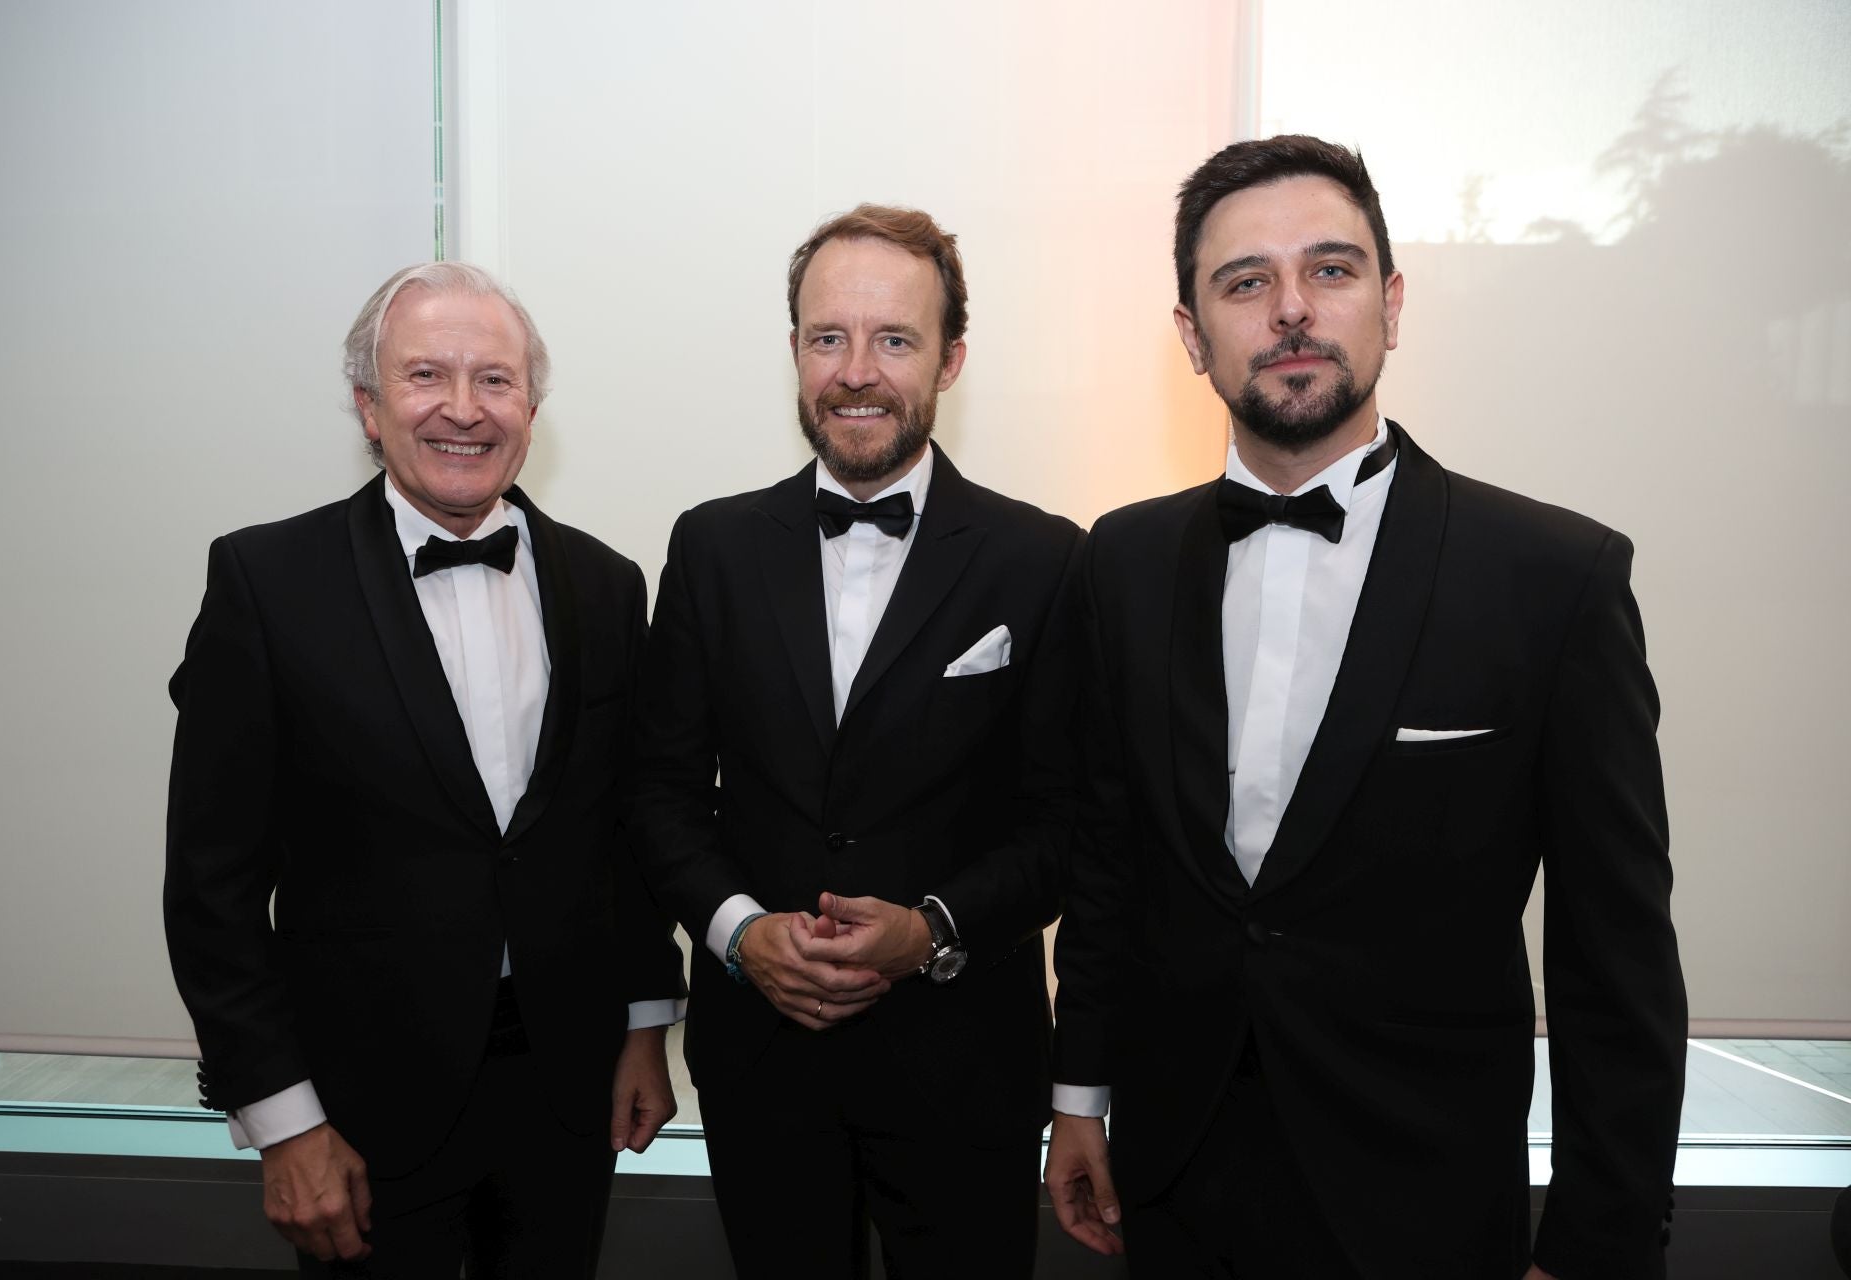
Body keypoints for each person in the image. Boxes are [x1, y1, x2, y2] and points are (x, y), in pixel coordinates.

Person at [1045, 136, 1688, 1279]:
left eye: (1330, 270)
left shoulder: (1555, 575)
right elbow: (1109, 860)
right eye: (1245, 282)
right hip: (1179, 1174)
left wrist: (1599, 1237)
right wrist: (1080, 1095)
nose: (1292, 309)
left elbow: (1616, 950)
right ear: (1193, 334)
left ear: (1390, 304)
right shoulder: (1122, 561)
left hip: (1427, 1190)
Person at [163, 262, 685, 1276]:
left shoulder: (608, 584)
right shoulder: (265, 584)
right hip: (356, 1109)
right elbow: (211, 884)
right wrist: (282, 1120)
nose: (462, 408)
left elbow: (621, 833)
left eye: (494, 379)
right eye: (424, 376)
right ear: (368, 404)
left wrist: (643, 1027)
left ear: (531, 403)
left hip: (565, 1087)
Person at [630, 204, 1082, 1278]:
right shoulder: (710, 546)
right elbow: (657, 792)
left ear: (951, 357)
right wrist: (742, 934)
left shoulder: (1047, 559)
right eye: (828, 337)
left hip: (966, 1063)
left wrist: (930, 929)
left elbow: (1071, 821)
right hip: (760, 1063)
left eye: (895, 339)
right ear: (794, 350)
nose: (857, 372)